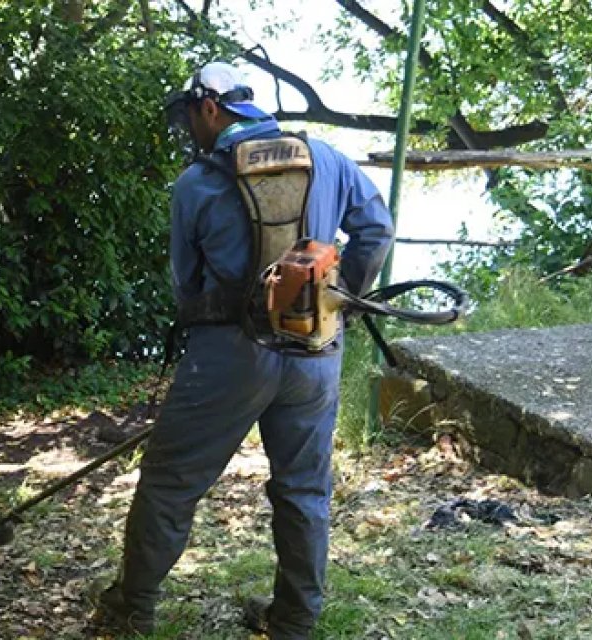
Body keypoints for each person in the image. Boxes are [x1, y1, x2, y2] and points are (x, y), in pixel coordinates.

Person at [90, 61, 395, 638]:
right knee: (304, 489)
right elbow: (376, 229)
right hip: (315, 350)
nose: (189, 130)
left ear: (210, 108)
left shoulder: (197, 182)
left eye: (189, 117)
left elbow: (187, 283)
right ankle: (295, 622)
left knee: (171, 482)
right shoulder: (324, 156)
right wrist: (337, 298)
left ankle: (131, 611)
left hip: (228, 358)